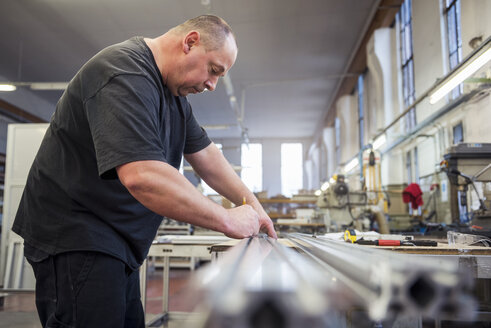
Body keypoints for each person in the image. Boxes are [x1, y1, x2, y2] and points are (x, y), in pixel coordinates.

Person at [12, 15, 277, 328]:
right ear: (190, 42)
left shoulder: (174, 96)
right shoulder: (123, 72)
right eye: (214, 70)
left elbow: (206, 155)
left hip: (115, 242)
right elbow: (142, 176)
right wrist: (226, 219)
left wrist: (253, 205)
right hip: (77, 235)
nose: (212, 84)